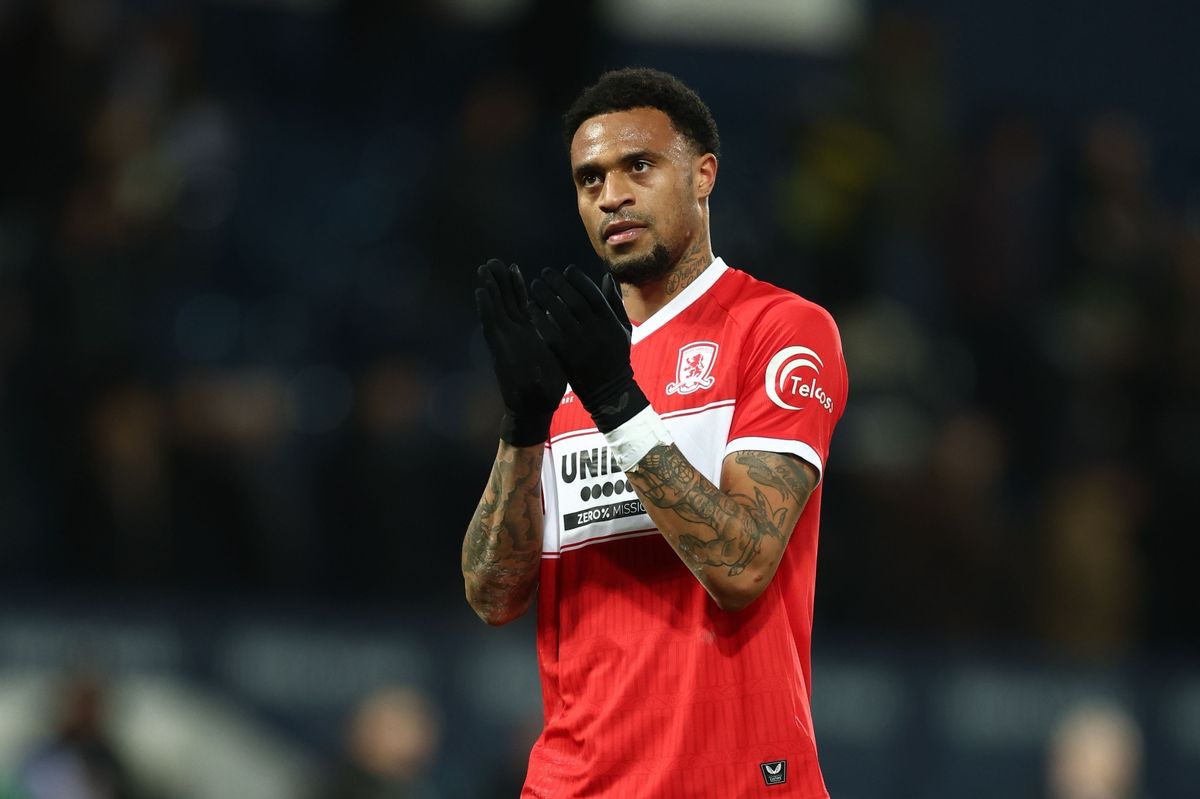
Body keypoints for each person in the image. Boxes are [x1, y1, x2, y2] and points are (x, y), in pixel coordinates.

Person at [463, 67, 848, 797]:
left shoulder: (779, 329)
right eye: (589, 178)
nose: (611, 195)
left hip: (735, 780)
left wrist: (616, 401)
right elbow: (492, 593)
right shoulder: (568, 356)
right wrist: (521, 427)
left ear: (704, 175)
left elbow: (741, 566)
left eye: (638, 165)